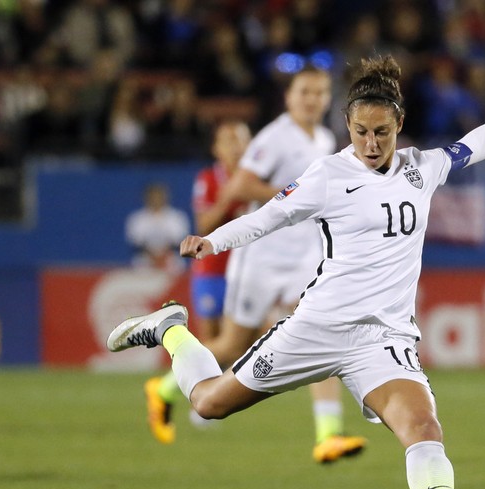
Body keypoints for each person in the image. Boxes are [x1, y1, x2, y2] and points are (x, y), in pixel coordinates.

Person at [108, 56, 485, 489]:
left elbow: (480, 142)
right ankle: (170, 330)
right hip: (317, 328)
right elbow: (270, 217)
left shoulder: (424, 167)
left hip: (383, 340)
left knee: (422, 425)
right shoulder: (329, 175)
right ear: (347, 127)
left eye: (381, 132)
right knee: (208, 403)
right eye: (360, 132)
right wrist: (212, 241)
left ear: (399, 125)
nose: (371, 143)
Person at [146, 68, 365, 464]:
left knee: (324, 330)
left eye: (319, 92)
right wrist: (296, 200)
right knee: (231, 345)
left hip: (303, 256)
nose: (313, 99)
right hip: (260, 257)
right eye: (305, 92)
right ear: (289, 98)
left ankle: (328, 435)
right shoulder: (275, 137)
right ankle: (164, 388)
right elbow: (241, 185)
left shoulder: (324, 138)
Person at [144, 120, 250, 444]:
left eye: (240, 139)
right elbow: (204, 222)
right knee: (211, 343)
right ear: (217, 149)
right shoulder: (209, 179)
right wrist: (230, 196)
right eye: (227, 140)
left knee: (233, 345)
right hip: (212, 272)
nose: (234, 146)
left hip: (244, 273)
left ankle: (188, 398)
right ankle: (184, 397)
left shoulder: (255, 178)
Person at [124, 182, 189, 272]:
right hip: (145, 257)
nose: (156, 199)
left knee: (178, 264)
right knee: (139, 264)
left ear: (165, 196)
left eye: (159, 195)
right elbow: (136, 242)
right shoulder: (137, 218)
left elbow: (179, 241)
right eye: (153, 196)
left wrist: (163, 255)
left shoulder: (177, 216)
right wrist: (153, 256)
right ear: (146, 197)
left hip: (170, 256)